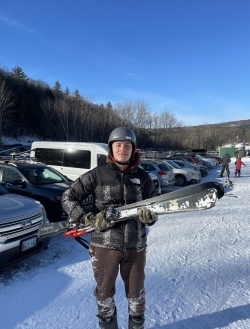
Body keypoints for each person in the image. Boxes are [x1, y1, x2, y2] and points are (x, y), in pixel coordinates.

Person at [61, 127, 157, 329]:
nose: (123, 149)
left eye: (127, 145)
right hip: (104, 246)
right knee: (104, 294)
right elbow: (68, 198)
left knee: (136, 294)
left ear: (133, 149)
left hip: (135, 246)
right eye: (118, 145)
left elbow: (154, 207)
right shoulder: (97, 175)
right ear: (111, 149)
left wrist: (150, 218)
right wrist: (88, 219)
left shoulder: (143, 177)